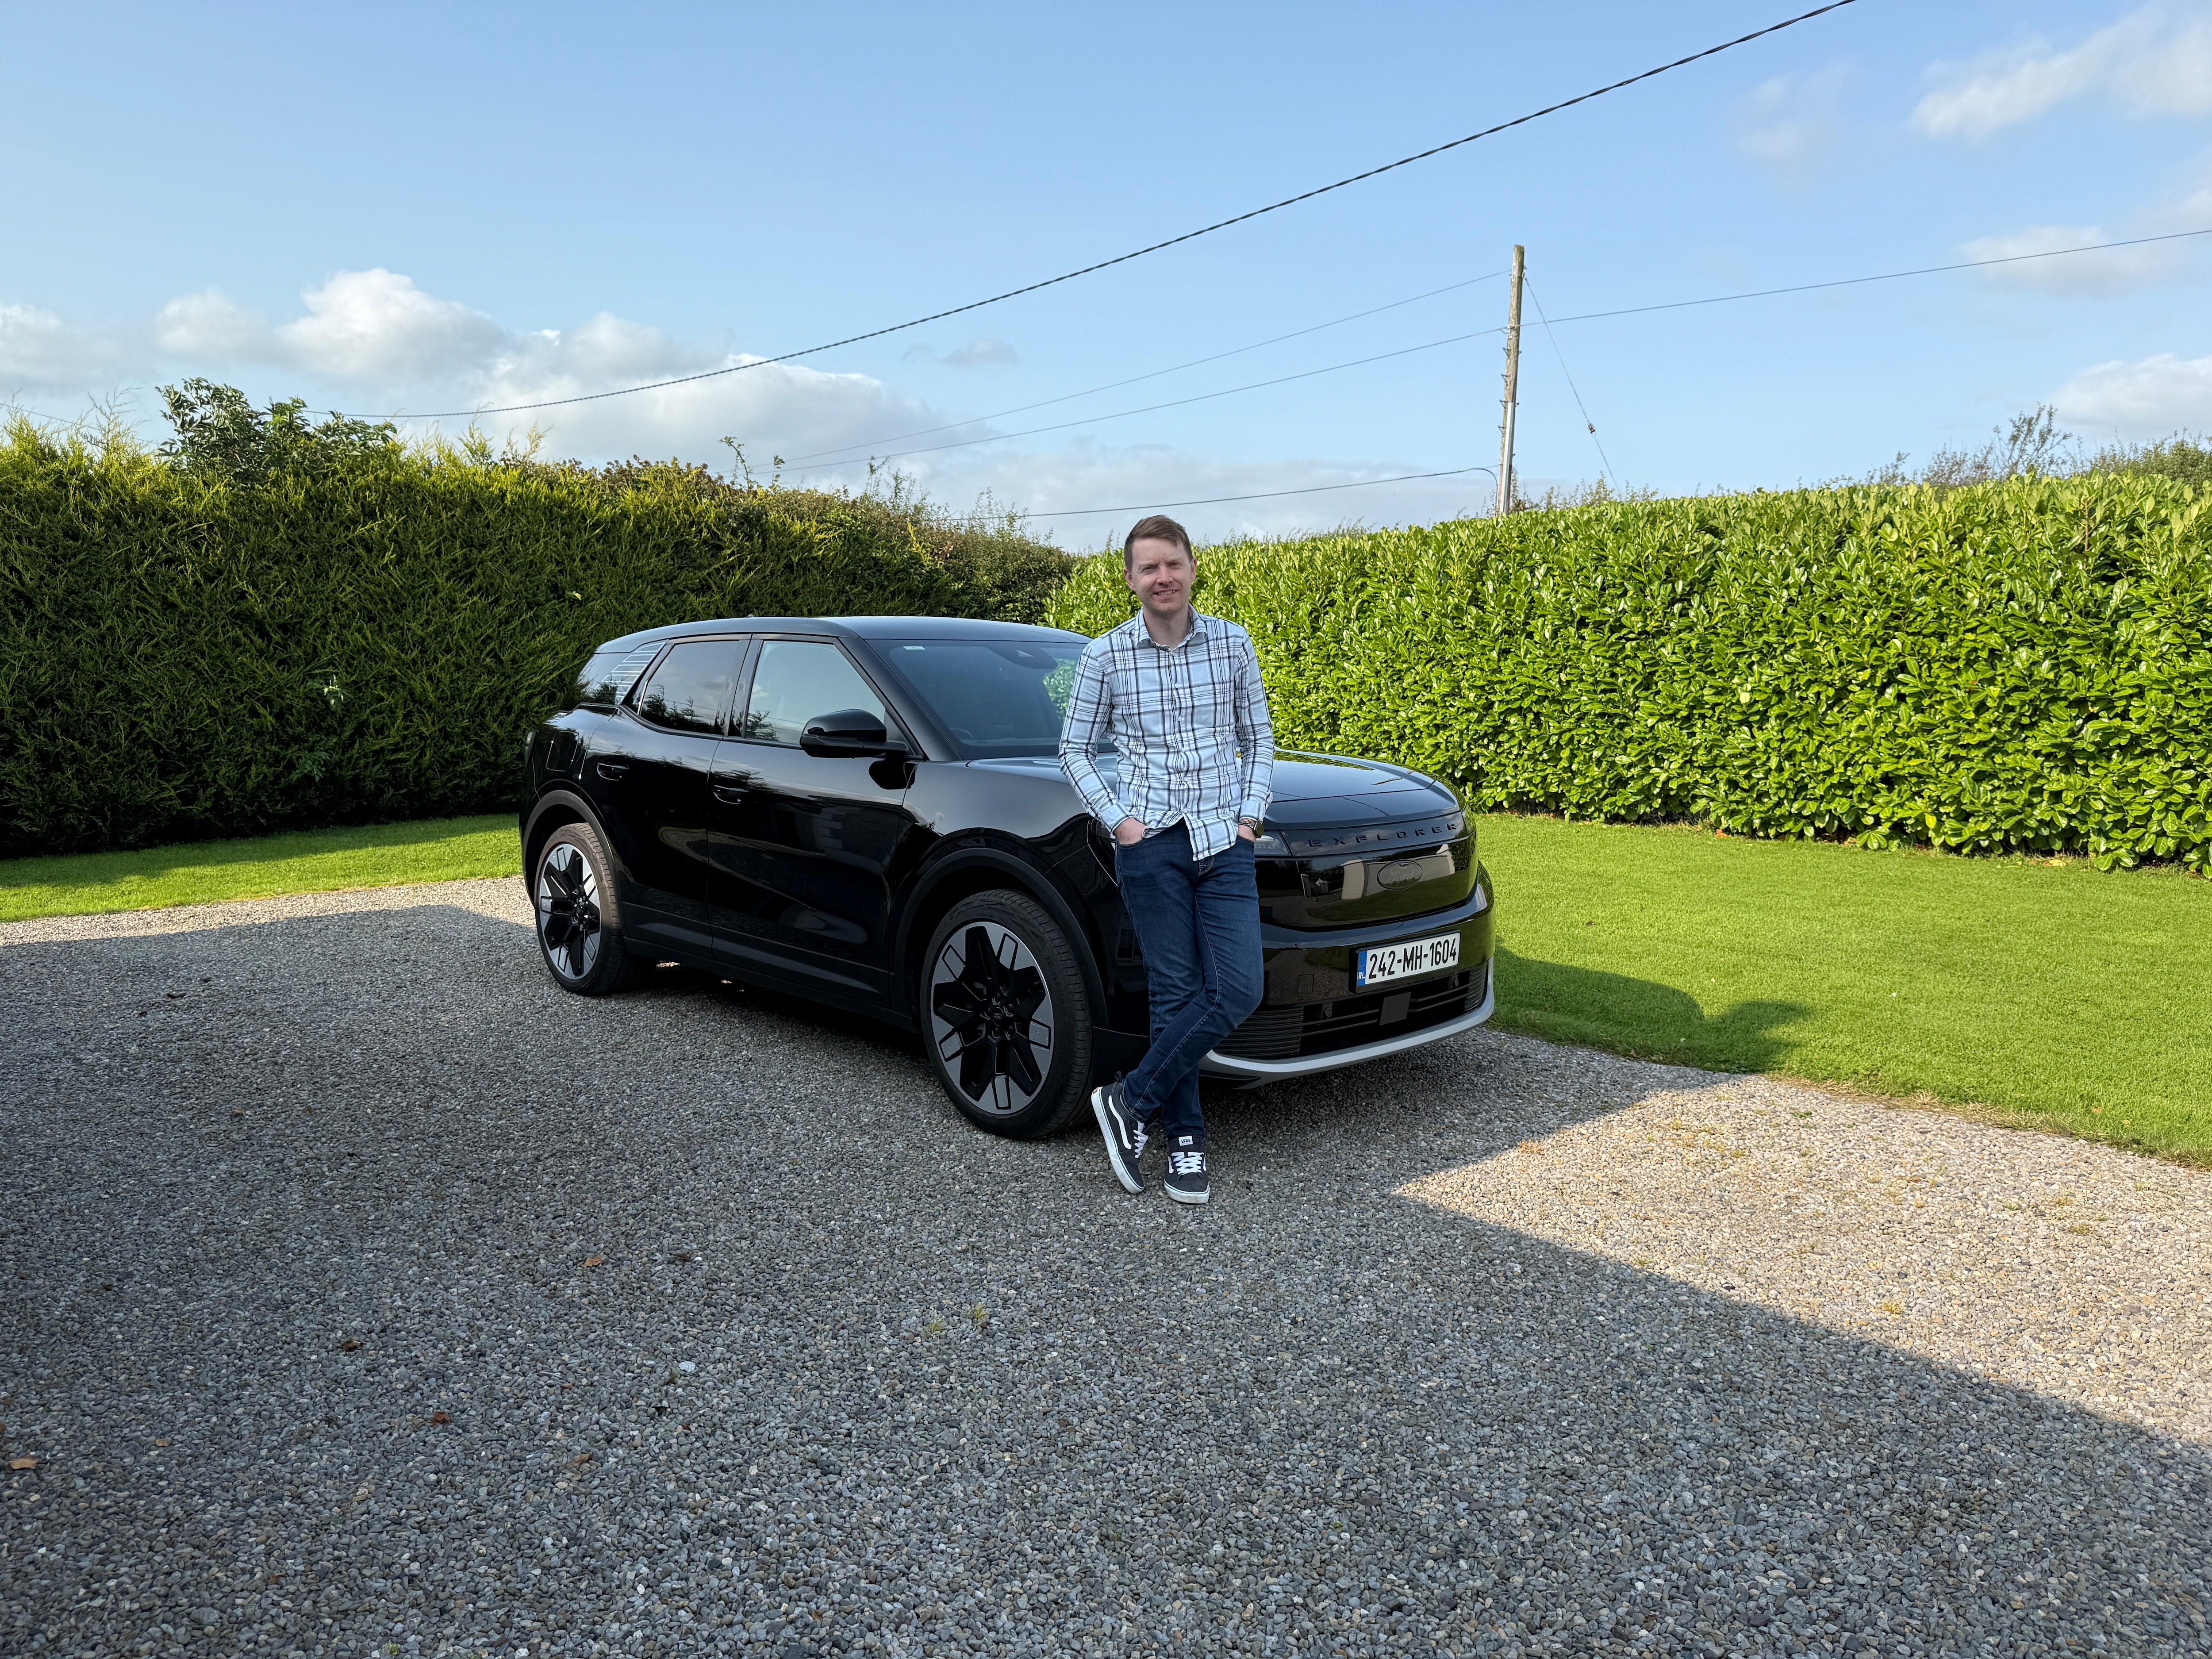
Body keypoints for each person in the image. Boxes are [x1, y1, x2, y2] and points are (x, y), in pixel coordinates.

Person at [1058, 514, 1273, 1205]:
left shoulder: (1234, 644)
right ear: (1130, 579)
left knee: (1239, 988)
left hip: (1223, 843)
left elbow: (1259, 738)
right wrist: (1120, 822)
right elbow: (1073, 749)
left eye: (1172, 563)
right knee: (1174, 993)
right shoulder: (1105, 656)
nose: (1162, 577)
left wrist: (1250, 817)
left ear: (1192, 566)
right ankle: (1185, 1141)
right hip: (1150, 844)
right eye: (1148, 567)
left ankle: (1129, 1100)